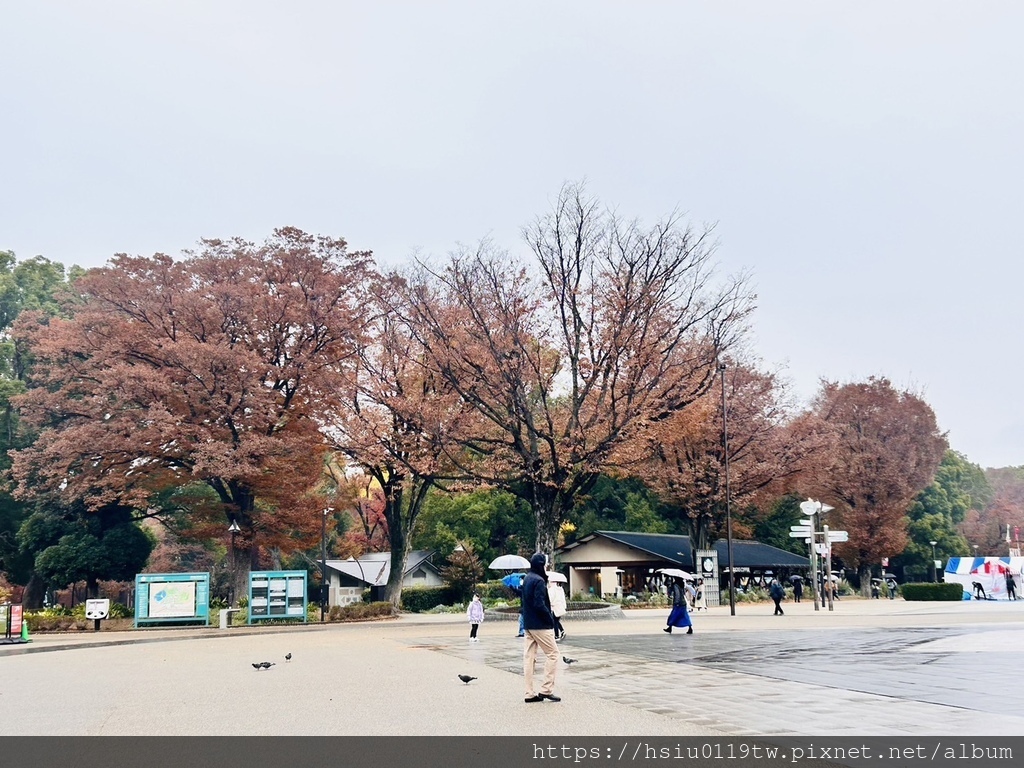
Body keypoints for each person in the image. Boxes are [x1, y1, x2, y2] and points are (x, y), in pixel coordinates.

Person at [522, 553, 560, 703]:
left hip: (528, 623)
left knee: (529, 658)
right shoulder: (538, 581)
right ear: (541, 565)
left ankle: (529, 692)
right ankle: (546, 689)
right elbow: (539, 604)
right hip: (540, 625)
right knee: (553, 654)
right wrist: (549, 619)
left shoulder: (527, 578)